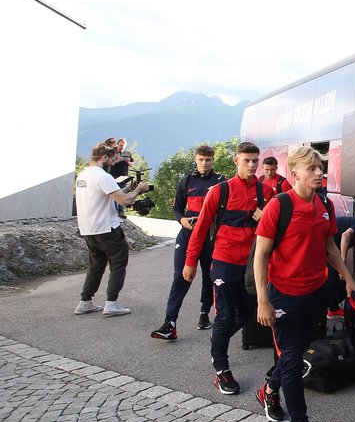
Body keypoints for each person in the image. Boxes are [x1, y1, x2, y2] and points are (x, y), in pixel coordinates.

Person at [252, 147, 352, 422]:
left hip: (315, 294)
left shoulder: (325, 204)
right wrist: (263, 300)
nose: (320, 173)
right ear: (295, 173)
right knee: (293, 362)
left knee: (295, 353)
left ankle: (269, 390)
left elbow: (329, 247)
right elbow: (260, 256)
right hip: (283, 297)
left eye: (321, 167)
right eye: (312, 168)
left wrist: (349, 278)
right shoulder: (279, 206)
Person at [182, 141, 270, 396]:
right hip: (223, 262)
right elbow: (200, 228)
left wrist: (264, 219)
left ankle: (218, 338)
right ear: (236, 161)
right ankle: (221, 370)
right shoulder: (220, 191)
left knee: (247, 314)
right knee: (224, 316)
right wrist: (190, 261)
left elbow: (273, 231)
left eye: (255, 160)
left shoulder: (266, 192)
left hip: (251, 265)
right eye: (246, 160)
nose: (251, 165)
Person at [150, 145, 226, 340]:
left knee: (209, 276)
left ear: (213, 160)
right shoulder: (186, 181)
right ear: (195, 159)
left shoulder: (221, 182)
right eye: (201, 159)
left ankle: (204, 313)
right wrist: (182, 219)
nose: (204, 163)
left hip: (209, 235)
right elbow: (177, 208)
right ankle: (170, 323)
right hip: (187, 233)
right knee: (181, 276)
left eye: (208, 160)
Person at [73, 142, 150, 317]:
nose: (114, 163)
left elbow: (109, 194)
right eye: (113, 159)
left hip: (88, 228)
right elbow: (125, 201)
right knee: (118, 263)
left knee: (96, 265)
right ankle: (111, 304)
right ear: (104, 157)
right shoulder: (103, 176)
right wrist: (139, 189)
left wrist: (127, 189)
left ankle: (85, 301)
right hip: (106, 227)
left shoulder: (83, 175)